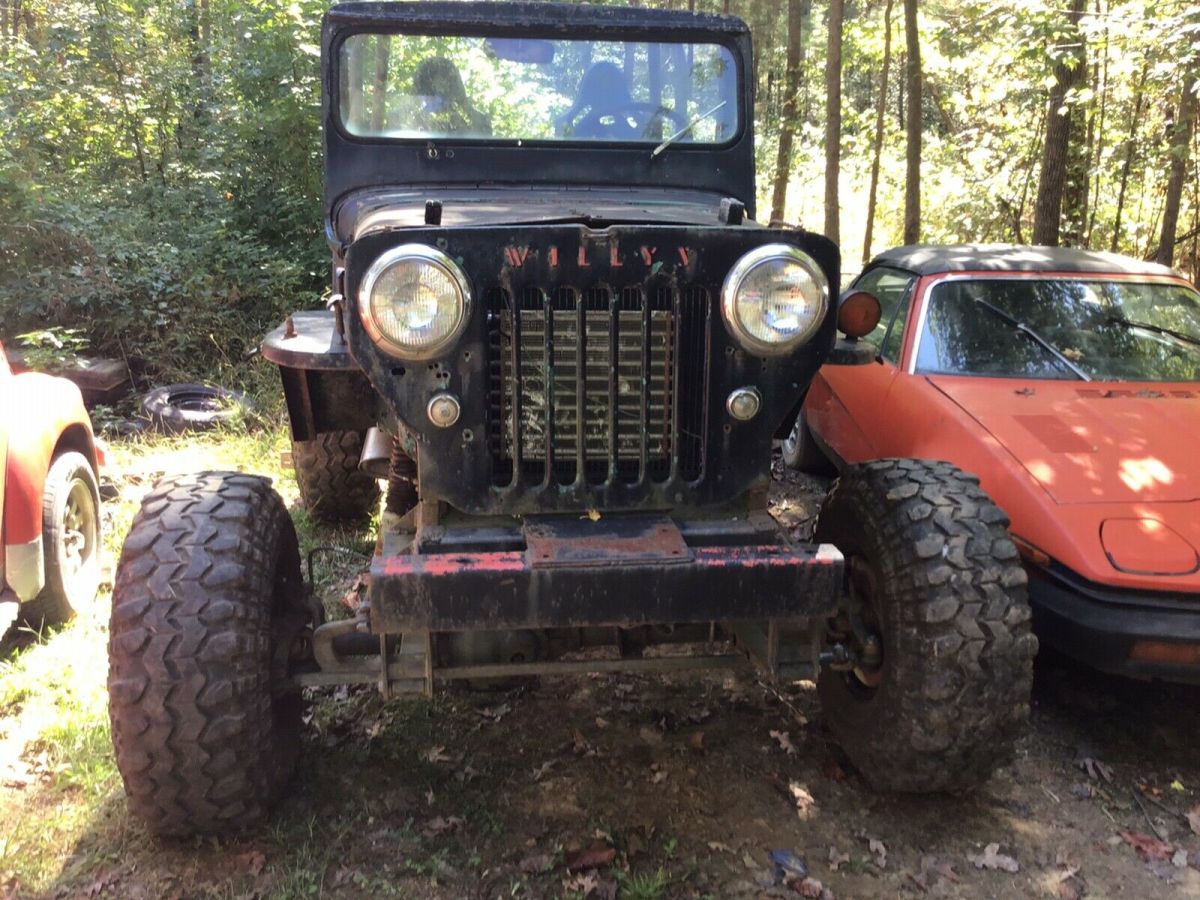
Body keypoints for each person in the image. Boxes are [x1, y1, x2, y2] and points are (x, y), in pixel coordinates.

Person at [413, 57, 491, 136]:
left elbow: (483, 141)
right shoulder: (409, 124)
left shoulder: (479, 121)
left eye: (450, 83)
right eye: (434, 93)